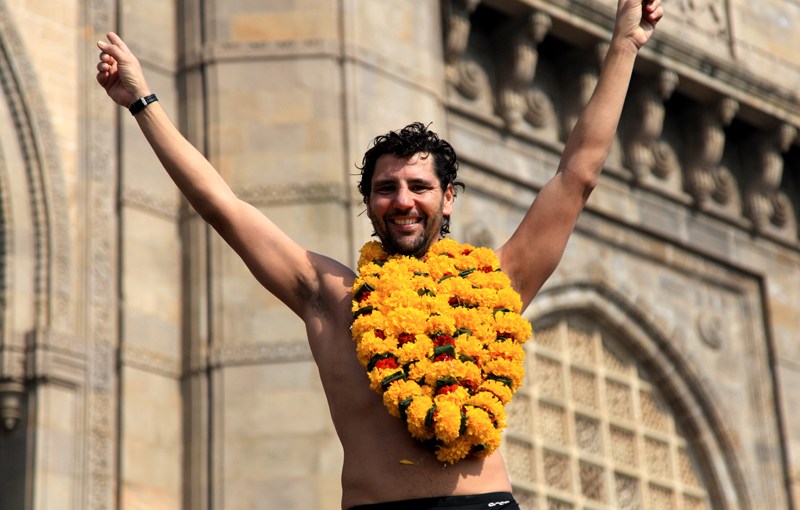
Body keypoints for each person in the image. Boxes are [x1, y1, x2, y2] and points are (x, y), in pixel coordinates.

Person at [96, 0, 663, 508]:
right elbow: (224, 206)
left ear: (448, 197)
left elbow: (576, 176)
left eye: (418, 187)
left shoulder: (499, 283)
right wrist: (142, 101)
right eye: (386, 189)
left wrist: (622, 47)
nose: (403, 201)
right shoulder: (329, 294)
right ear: (368, 204)